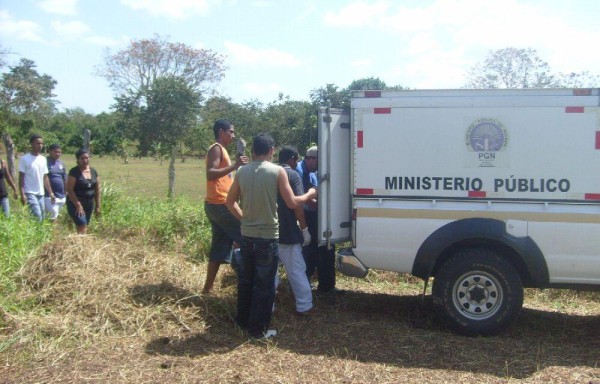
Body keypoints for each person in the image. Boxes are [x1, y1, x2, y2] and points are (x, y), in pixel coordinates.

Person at [225, 133, 316, 340]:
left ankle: (242, 321)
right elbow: (293, 203)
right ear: (271, 150)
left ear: (253, 151)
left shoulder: (242, 172)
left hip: (247, 235)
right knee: (264, 286)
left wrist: (244, 219)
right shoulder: (277, 172)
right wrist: (310, 195)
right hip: (268, 237)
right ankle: (259, 330)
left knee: (246, 281)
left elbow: (229, 202)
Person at [203, 119, 249, 294]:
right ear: (221, 132)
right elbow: (210, 174)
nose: (233, 135)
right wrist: (235, 165)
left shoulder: (222, 151)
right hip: (220, 205)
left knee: (218, 247)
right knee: (248, 236)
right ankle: (246, 284)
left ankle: (207, 289)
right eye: (231, 132)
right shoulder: (216, 148)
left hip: (216, 205)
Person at [296, 146, 341, 295]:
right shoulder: (300, 171)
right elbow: (305, 198)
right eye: (307, 158)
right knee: (311, 250)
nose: (309, 161)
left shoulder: (317, 172)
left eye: (312, 158)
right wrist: (321, 205)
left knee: (326, 247)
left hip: (319, 215)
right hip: (309, 216)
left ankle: (326, 286)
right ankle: (305, 285)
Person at [276, 146, 313, 315]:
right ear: (291, 159)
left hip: (268, 232)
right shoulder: (293, 175)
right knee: (297, 270)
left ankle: (268, 307)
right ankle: (304, 306)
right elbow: (298, 206)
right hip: (288, 232)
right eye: (297, 160)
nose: (297, 163)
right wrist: (304, 229)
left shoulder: (268, 173)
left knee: (269, 272)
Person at [66, 149, 101, 234]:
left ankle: (79, 241)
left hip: (89, 203)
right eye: (82, 158)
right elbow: (70, 190)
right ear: (77, 160)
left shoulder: (93, 171)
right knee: (82, 224)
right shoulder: (74, 172)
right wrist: (78, 205)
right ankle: (81, 244)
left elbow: (97, 190)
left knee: (85, 224)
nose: (85, 160)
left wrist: (97, 206)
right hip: (75, 202)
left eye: (87, 158)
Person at [19, 134, 53, 221]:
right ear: (32, 144)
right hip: (29, 192)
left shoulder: (43, 159)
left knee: (42, 217)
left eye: (41, 143)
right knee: (37, 216)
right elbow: (21, 177)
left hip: (40, 193)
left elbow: (45, 177)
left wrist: (50, 192)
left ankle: (39, 234)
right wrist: (22, 194)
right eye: (37, 143)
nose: (40, 145)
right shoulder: (24, 159)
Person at [45, 144, 67, 222]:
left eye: (59, 152)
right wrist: (50, 193)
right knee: (52, 216)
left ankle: (53, 231)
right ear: (50, 151)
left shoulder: (61, 163)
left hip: (61, 195)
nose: (58, 154)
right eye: (55, 152)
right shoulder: (45, 162)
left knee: (55, 215)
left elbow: (64, 178)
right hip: (49, 195)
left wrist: (66, 192)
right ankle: (52, 233)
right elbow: (44, 177)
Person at [0, 152, 18, 217]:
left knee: (7, 218)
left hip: (3, 196)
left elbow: (8, 177)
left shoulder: (2, 163)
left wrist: (15, 189)